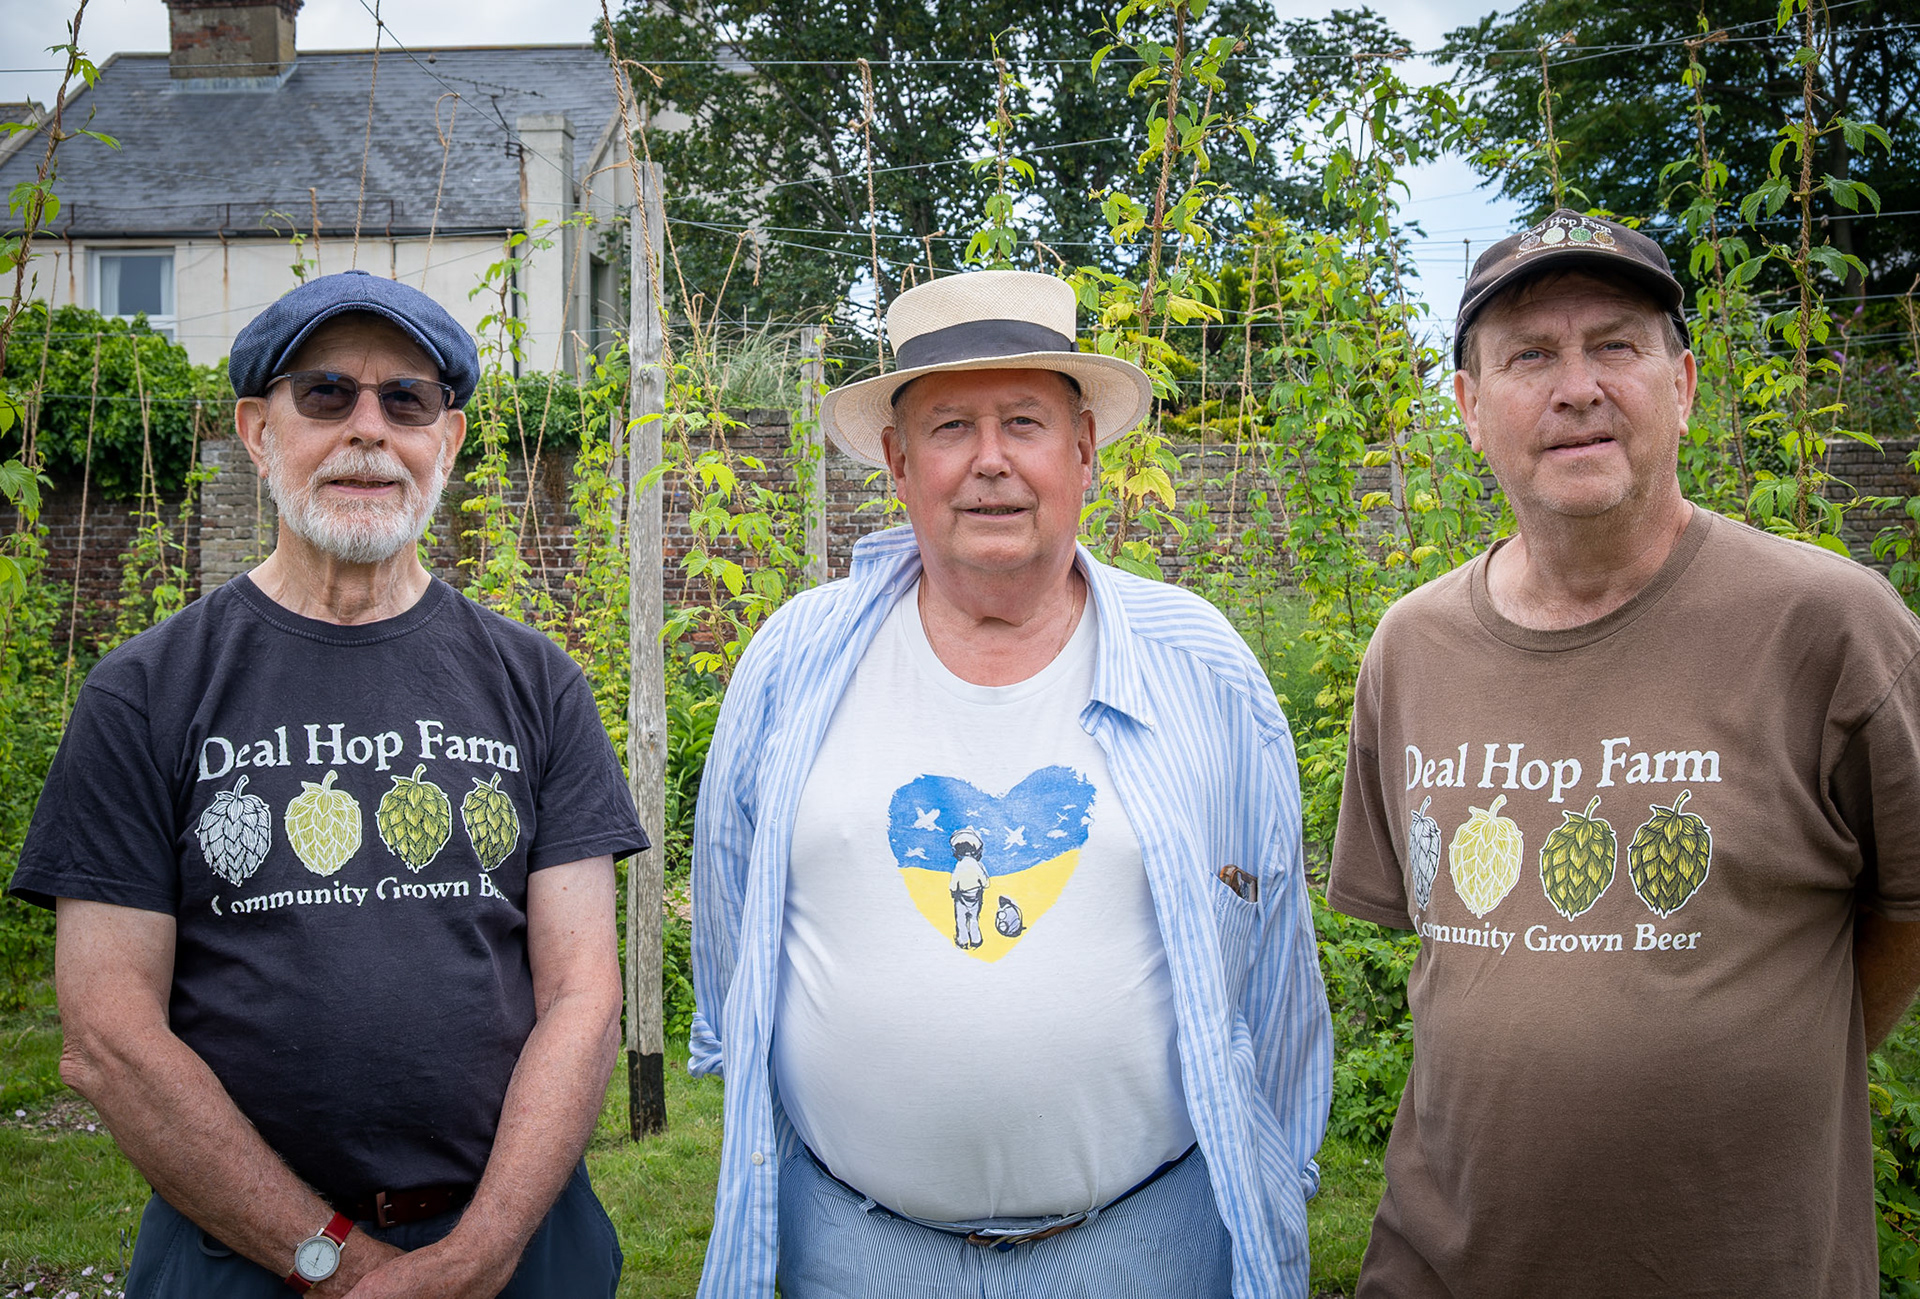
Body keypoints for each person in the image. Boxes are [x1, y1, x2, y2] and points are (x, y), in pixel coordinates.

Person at [689, 269, 1332, 1298]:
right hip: (852, 1248)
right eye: (950, 428)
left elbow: (1274, 958)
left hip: (1144, 1248)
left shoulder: (1199, 665)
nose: (991, 463)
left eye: (1024, 421)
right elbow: (731, 920)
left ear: (1082, 448)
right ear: (898, 462)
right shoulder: (793, 661)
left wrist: (1276, 1169)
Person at [10, 269, 649, 1298]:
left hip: (521, 1245)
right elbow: (107, 1036)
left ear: (447, 439)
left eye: (408, 400)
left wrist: (479, 1257)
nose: (370, 430)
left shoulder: (537, 683)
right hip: (239, 1253)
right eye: (326, 394)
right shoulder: (145, 691)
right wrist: (335, 1265)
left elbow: (582, 995)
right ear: (258, 431)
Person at [1327, 209, 1920, 1296]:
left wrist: (1764, 1053)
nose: (1578, 387)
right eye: (1531, 357)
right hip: (1446, 1265)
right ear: (1467, 406)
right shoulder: (1412, 646)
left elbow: (1906, 916)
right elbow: (1452, 959)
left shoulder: (1831, 626)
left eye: (1616, 345)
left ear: (1684, 384)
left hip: (1745, 1266)